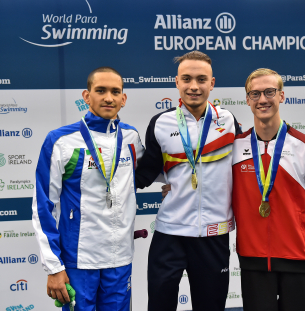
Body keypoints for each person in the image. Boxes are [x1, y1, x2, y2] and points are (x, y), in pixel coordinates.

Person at [135, 51, 242, 311]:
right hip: (170, 232)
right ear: (177, 82)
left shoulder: (228, 121)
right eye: (187, 79)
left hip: (213, 234)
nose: (194, 86)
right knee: (160, 306)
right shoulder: (160, 122)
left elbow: (245, 168)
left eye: (201, 79)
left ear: (212, 83)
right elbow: (144, 173)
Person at [32, 67, 144, 311]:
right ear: (86, 96)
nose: (108, 98)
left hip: (120, 258)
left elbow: (153, 171)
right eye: (100, 90)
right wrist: (54, 267)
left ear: (123, 99)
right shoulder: (61, 140)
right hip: (79, 261)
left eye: (115, 92)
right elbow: (43, 207)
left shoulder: (131, 138)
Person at [232, 68, 305, 311]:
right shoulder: (235, 148)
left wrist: (295, 225)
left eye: (269, 92)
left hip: (295, 255)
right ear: (247, 99)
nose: (262, 99)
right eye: (255, 94)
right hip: (252, 257)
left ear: (282, 96)